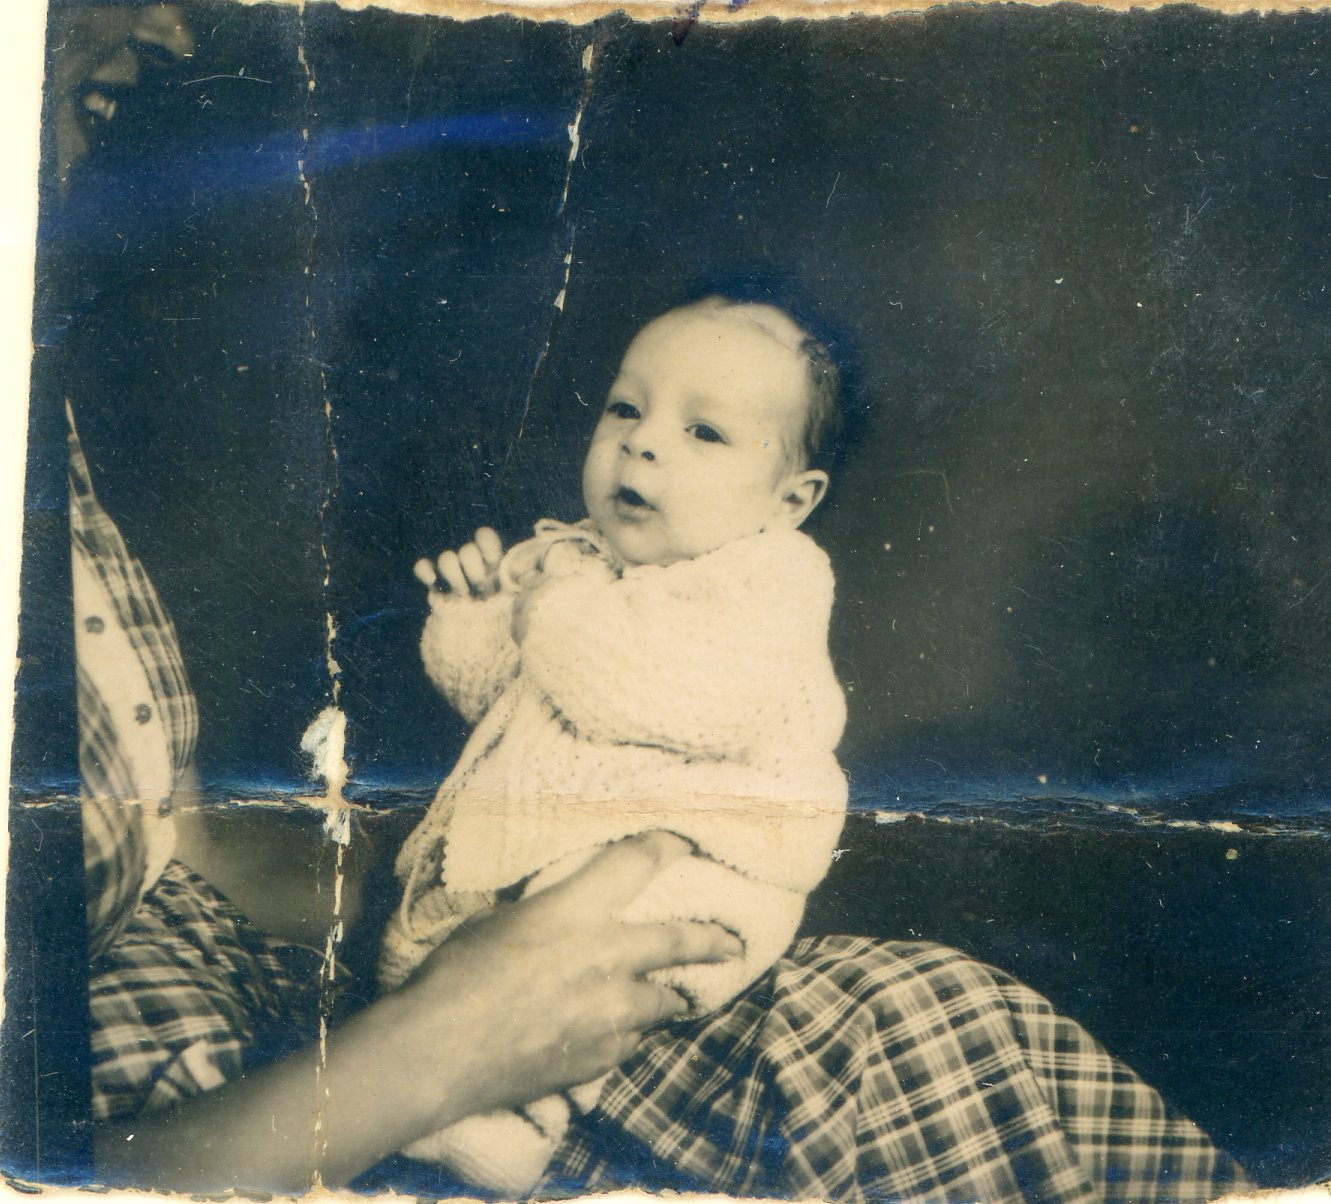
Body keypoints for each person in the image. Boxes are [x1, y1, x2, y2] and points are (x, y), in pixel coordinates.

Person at [382, 297, 851, 1193]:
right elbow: (499, 700)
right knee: (451, 954)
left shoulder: (773, 580)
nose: (641, 445)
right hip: (555, 848)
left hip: (707, 866)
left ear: (790, 499)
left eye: (703, 431)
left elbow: (637, 691)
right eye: (626, 409)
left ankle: (510, 1121)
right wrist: (476, 615)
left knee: (596, 954)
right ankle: (427, 1085)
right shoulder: (577, 556)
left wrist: (547, 607)